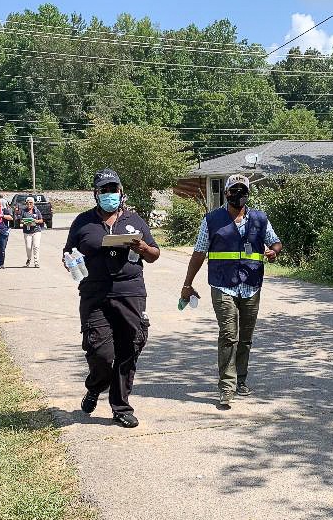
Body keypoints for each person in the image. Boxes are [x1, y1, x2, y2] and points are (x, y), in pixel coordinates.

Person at [63, 169, 160, 428]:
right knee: (101, 353)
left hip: (130, 292)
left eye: (113, 190)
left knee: (129, 349)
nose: (109, 195)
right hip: (95, 294)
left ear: (121, 192)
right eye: (103, 191)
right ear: (96, 194)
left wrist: (143, 248)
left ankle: (121, 407)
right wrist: (71, 262)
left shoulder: (135, 220)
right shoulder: (83, 222)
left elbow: (154, 254)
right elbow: (67, 255)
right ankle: (95, 386)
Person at [180, 173, 283, 407]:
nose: (239, 194)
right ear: (226, 193)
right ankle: (227, 386)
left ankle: (241, 380)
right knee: (229, 335)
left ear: (248, 193)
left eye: (243, 190)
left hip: (251, 284)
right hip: (222, 283)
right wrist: (187, 284)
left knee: (245, 338)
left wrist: (274, 252)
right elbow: (198, 253)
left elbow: (275, 242)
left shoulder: (259, 219)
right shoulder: (211, 220)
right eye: (234, 190)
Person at [20, 196, 44, 268]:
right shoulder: (23, 211)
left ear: (33, 203)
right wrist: (25, 222)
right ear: (26, 203)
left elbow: (41, 220)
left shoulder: (36, 211)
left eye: (31, 203)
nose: (29, 204)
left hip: (36, 230)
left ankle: (36, 261)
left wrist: (35, 221)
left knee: (36, 246)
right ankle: (29, 258)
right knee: (28, 247)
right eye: (28, 203)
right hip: (27, 231)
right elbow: (20, 220)